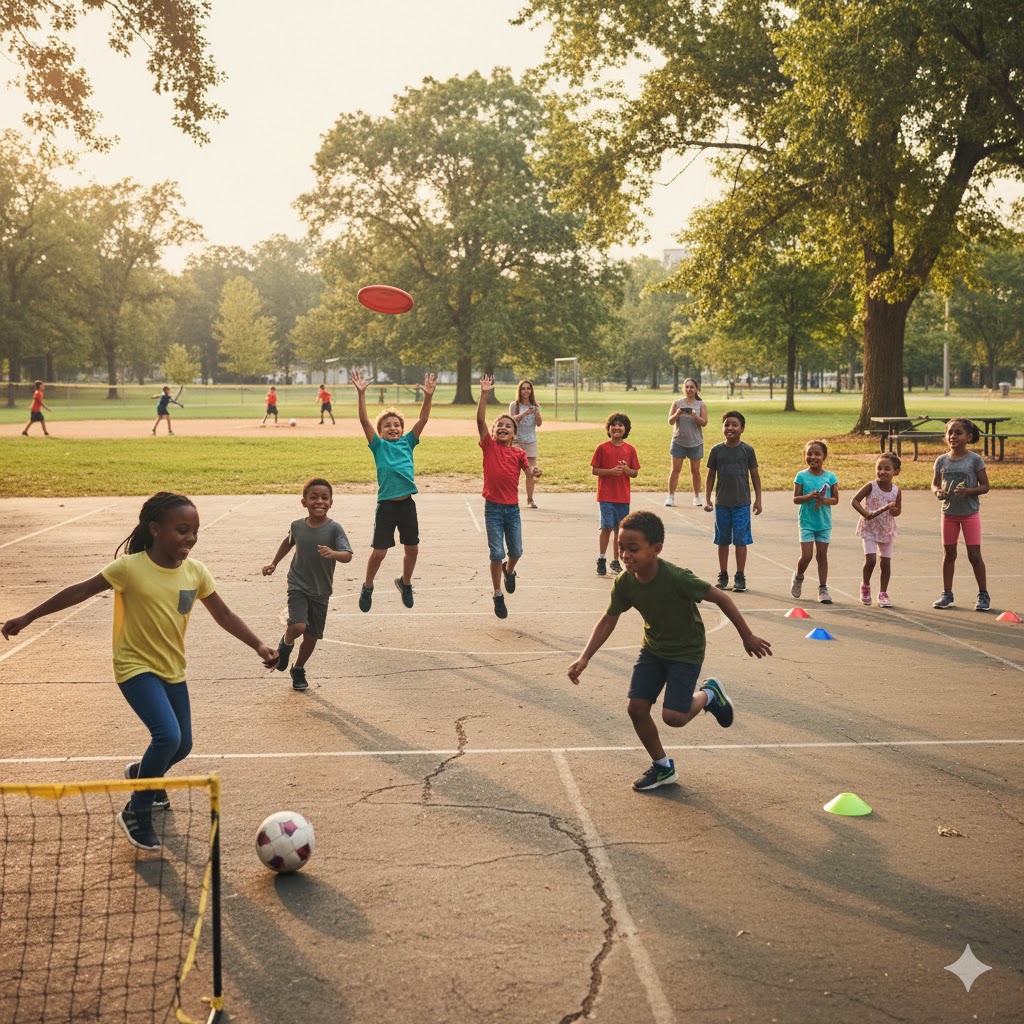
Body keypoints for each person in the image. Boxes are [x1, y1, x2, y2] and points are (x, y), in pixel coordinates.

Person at [1, 492, 278, 851]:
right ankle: (137, 810)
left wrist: (258, 645)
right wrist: (29, 617)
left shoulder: (196, 572)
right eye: (182, 530)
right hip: (134, 667)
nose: (191, 538)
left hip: (172, 668)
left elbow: (224, 615)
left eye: (195, 530)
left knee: (183, 744)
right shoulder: (129, 568)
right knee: (167, 737)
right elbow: (79, 591)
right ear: (155, 529)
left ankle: (143, 774)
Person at [567, 510, 771, 792]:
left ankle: (710, 693)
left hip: (686, 650)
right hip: (653, 648)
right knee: (637, 709)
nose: (625, 555)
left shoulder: (677, 578)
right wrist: (585, 657)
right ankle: (663, 767)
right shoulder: (625, 582)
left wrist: (747, 636)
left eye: (633, 549)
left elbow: (721, 597)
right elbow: (609, 619)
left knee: (674, 718)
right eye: (621, 548)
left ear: (656, 549)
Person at [350, 369, 436, 612]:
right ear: (380, 431)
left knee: (412, 549)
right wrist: (361, 394)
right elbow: (364, 421)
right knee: (379, 553)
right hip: (387, 506)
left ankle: (405, 583)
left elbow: (423, 420)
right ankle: (368, 586)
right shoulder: (378, 446)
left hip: (407, 505)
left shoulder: (408, 442)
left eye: (397, 425)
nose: (393, 428)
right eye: (387, 425)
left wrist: (428, 396)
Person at [262, 478, 352, 691]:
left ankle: (298, 668)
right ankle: (285, 645)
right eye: (313, 497)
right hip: (298, 584)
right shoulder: (297, 526)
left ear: (331, 502)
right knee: (298, 626)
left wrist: (334, 553)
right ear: (304, 502)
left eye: (324, 497)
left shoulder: (334, 529)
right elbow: (288, 542)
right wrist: (274, 563)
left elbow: (347, 555)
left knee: (311, 637)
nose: (319, 501)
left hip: (321, 591)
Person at [477, 375, 542, 618]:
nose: (503, 428)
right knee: (496, 553)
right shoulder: (489, 447)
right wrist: (484, 393)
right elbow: (480, 420)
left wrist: (534, 471)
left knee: (516, 552)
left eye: (508, 426)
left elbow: (528, 472)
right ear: (494, 432)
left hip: (512, 510)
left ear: (514, 434)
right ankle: (497, 594)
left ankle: (509, 570)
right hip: (493, 509)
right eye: (499, 425)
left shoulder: (518, 454)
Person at [930, 417, 990, 611]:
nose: (953, 436)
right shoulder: (941, 460)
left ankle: (983, 594)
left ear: (968, 437)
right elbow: (934, 484)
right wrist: (938, 492)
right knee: (949, 554)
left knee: (974, 555)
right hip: (949, 514)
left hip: (970, 514)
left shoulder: (974, 460)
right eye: (950, 432)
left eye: (958, 433)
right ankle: (946, 593)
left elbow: (985, 486)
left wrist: (968, 491)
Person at [703, 410, 762, 593]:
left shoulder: (747, 450)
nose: (730, 428)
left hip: (742, 504)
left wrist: (758, 500)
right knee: (722, 540)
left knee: (740, 541)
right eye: (727, 424)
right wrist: (707, 499)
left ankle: (740, 576)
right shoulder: (717, 450)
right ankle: (723, 575)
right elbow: (710, 476)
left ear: (742, 428)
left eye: (734, 425)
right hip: (722, 504)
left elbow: (755, 476)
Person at [590, 412, 640, 576]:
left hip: (622, 497)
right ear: (609, 428)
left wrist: (626, 470)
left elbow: (634, 473)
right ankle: (602, 557)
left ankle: (616, 559)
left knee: (620, 530)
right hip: (606, 496)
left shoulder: (630, 449)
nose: (616, 428)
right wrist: (610, 471)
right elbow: (595, 470)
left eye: (620, 425)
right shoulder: (602, 448)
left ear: (626, 429)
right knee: (607, 527)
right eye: (613, 425)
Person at [791, 440, 839, 604]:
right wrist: (809, 496)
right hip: (807, 522)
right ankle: (798, 577)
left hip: (824, 523)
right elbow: (796, 499)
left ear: (824, 456)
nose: (813, 457)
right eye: (809, 454)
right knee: (807, 556)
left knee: (822, 555)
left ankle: (823, 588)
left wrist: (824, 500)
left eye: (817, 454)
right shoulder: (801, 476)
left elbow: (835, 499)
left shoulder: (831, 477)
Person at [851, 453, 902, 608]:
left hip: (886, 529)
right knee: (871, 560)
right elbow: (855, 501)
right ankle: (865, 586)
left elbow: (898, 510)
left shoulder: (896, 491)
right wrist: (865, 513)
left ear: (896, 471)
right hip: (869, 529)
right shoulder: (871, 486)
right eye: (879, 468)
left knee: (885, 563)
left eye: (887, 469)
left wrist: (894, 510)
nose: (882, 472)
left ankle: (883, 593)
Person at [665, 377, 708, 507]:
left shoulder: (701, 405)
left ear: (696, 389)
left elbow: (704, 423)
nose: (689, 389)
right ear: (683, 388)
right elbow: (670, 421)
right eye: (687, 387)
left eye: (692, 387)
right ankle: (670, 496)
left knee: (695, 471)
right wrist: (677, 413)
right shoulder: (677, 403)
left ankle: (697, 497)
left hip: (695, 442)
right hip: (679, 441)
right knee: (675, 470)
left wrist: (695, 416)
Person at [508, 379, 543, 509]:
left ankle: (530, 499)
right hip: (517, 442)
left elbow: (539, 424)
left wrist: (537, 415)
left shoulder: (535, 405)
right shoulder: (514, 405)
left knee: (530, 472)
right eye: (523, 388)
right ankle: (511, 499)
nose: (526, 391)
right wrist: (525, 413)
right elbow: (511, 421)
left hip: (531, 442)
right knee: (514, 472)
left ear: (531, 391)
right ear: (520, 390)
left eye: (528, 388)